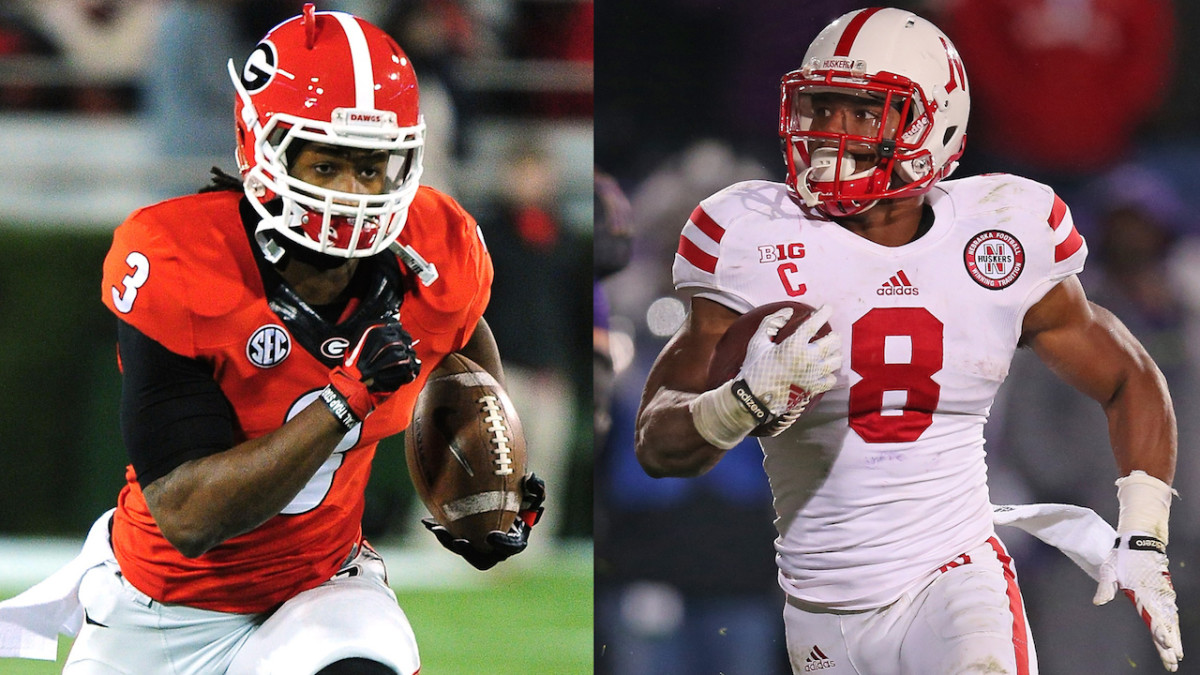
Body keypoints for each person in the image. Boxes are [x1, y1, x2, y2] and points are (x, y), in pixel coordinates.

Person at [633, 7, 1181, 674]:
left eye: (862, 113)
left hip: (955, 574)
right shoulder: (749, 233)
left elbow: (1127, 375)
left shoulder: (1001, 231)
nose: (829, 133)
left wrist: (1146, 534)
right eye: (821, 108)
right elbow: (658, 444)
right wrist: (742, 402)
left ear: (935, 122)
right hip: (820, 603)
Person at [0, 5, 542, 674]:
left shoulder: (435, 250)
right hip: (162, 607)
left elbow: (461, 331)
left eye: (373, 168)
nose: (353, 194)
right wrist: (345, 399)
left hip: (319, 588)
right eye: (327, 165)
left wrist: (489, 478)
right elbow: (187, 515)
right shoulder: (180, 259)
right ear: (263, 145)